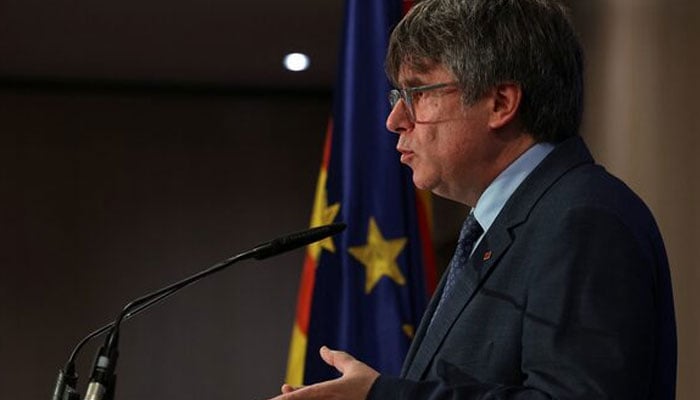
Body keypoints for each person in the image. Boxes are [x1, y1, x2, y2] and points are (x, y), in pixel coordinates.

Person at [268, 0, 677, 398]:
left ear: (500, 103)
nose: (395, 120)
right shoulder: (500, 226)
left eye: (417, 93)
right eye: (398, 96)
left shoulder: (583, 221)